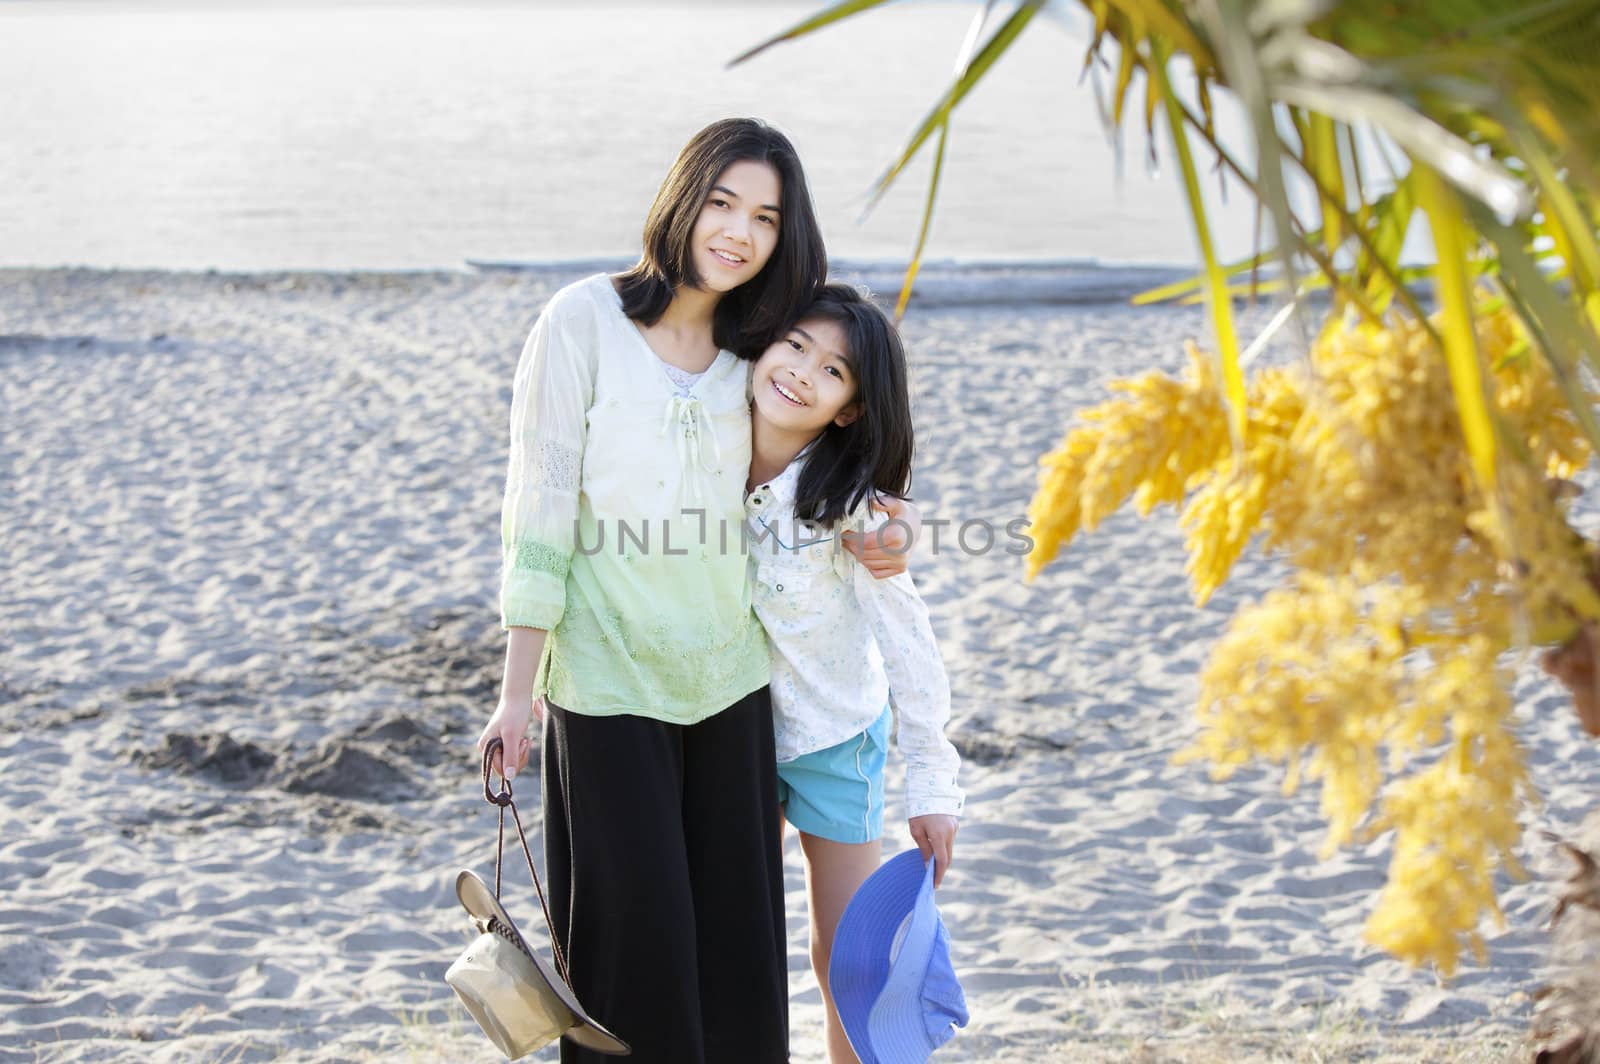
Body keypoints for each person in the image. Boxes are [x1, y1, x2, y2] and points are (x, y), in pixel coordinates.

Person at [475, 118, 918, 1064]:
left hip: (731, 688)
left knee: (737, 972)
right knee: (631, 965)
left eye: (764, 216)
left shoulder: (758, 351)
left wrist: (894, 523)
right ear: (683, 198)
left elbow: (835, 447)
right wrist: (517, 690)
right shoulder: (581, 321)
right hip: (602, 684)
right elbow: (539, 509)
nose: (738, 232)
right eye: (722, 202)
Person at [743, 284, 963, 1064]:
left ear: (847, 410)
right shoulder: (701, 454)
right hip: (733, 733)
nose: (803, 372)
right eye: (797, 346)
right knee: (738, 942)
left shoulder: (855, 512)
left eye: (833, 372)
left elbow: (908, 638)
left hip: (836, 737)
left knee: (848, 958)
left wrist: (932, 783)